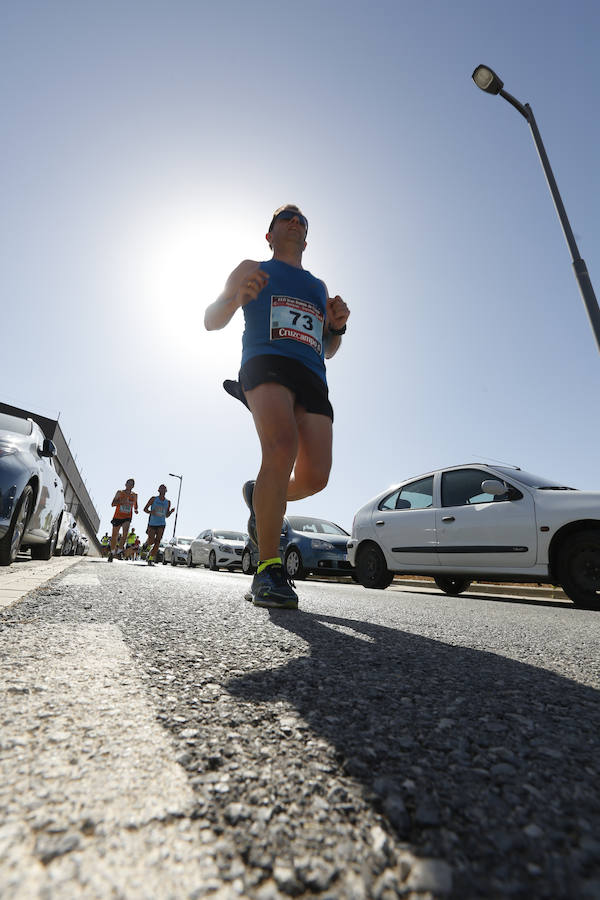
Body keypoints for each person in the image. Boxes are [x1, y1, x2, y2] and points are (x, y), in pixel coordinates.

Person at [204, 204, 349, 609]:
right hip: (265, 361)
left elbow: (329, 348)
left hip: (312, 376)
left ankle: (260, 496)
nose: (295, 222)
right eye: (287, 217)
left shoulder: (318, 286)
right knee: (281, 448)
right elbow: (211, 320)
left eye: (302, 220)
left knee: (316, 477)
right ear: (270, 235)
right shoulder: (252, 267)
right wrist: (237, 298)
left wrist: (337, 326)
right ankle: (268, 569)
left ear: (307, 239)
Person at [143, 484, 174, 566]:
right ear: (158, 490)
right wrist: (151, 512)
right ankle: (146, 543)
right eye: (161, 489)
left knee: (157, 542)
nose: (163, 490)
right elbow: (145, 509)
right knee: (151, 541)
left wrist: (171, 512)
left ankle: (150, 558)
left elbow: (166, 515)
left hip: (161, 524)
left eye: (164, 489)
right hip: (152, 523)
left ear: (166, 491)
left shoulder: (168, 502)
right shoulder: (153, 499)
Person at [108, 479, 138, 562]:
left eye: (131, 484)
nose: (130, 485)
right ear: (125, 484)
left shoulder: (135, 495)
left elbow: (135, 505)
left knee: (125, 533)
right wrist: (121, 501)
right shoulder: (120, 492)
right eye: (128, 483)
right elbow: (113, 504)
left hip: (127, 517)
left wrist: (136, 509)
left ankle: (119, 551)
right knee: (114, 535)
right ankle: (112, 552)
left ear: (133, 486)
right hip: (117, 516)